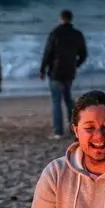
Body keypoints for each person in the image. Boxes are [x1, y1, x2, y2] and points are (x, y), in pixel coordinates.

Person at [40, 9, 87, 138]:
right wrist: (76, 64)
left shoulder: (55, 33)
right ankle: (74, 129)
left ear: (61, 19)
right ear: (71, 19)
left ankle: (58, 131)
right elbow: (83, 54)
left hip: (55, 72)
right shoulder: (77, 34)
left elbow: (48, 52)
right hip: (69, 71)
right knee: (68, 99)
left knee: (56, 101)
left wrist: (42, 69)